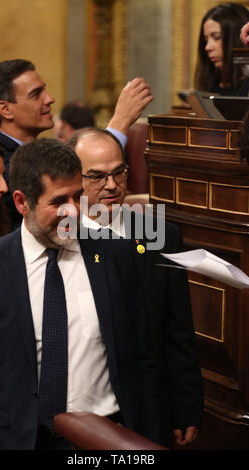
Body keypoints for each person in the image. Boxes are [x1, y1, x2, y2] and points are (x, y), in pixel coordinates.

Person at [0, 138, 162, 450]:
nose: (72, 212)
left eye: (77, 196)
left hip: (107, 436)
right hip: (21, 440)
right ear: (21, 202)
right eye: (58, 202)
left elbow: (144, 356)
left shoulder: (117, 255)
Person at [67, 127, 204, 448]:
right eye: (97, 176)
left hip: (145, 411)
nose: (112, 185)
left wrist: (186, 407)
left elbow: (177, 330)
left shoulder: (160, 237)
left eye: (119, 172)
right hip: (75, 410)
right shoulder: (58, 236)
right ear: (74, 179)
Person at [0, 59, 153, 228]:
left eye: (44, 91)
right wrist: (119, 123)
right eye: (36, 94)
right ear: (5, 109)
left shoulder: (42, 151)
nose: (49, 99)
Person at [194, 3, 249, 95]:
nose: (207, 47)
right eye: (206, 40)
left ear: (238, 39)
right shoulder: (211, 83)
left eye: (217, 37)